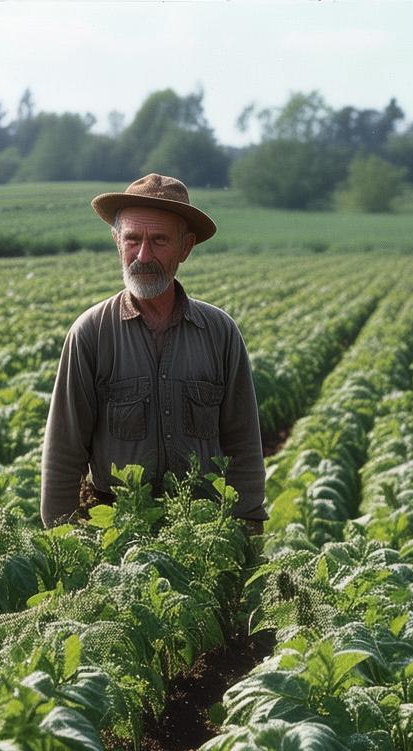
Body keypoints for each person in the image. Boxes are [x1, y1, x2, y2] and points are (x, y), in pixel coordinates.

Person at [40, 173, 267, 532]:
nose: (143, 255)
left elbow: (244, 446)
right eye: (133, 239)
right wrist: (65, 543)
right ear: (117, 241)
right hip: (115, 530)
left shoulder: (220, 333)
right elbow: (64, 453)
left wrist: (248, 530)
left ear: (186, 247)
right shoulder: (91, 333)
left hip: (201, 532)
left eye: (159, 240)